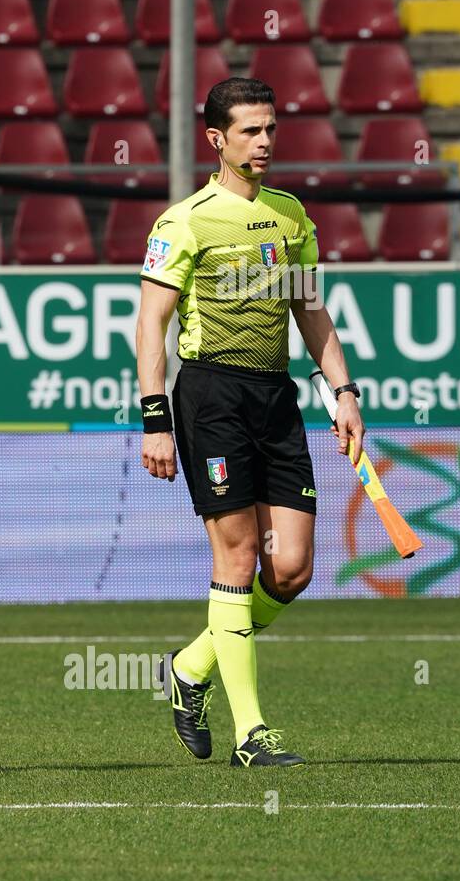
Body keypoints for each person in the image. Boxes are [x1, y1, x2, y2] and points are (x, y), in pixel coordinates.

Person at [136, 78, 365, 768]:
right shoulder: (186, 220)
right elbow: (151, 324)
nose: (264, 142)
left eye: (270, 129)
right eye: (250, 132)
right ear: (217, 140)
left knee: (290, 569)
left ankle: (189, 669)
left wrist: (344, 390)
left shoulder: (291, 215)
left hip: (276, 396)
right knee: (236, 559)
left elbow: (311, 311)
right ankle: (251, 734)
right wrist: (154, 418)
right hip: (210, 398)